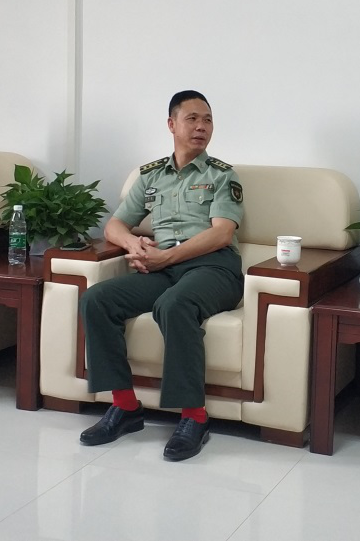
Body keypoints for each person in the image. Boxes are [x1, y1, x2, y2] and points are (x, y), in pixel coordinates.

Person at [78, 90, 244, 461]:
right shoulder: (150, 176)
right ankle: (125, 407)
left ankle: (194, 417)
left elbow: (222, 233)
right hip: (164, 269)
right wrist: (133, 245)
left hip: (214, 268)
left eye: (207, 120)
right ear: (171, 124)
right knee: (97, 299)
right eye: (192, 119)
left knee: (174, 304)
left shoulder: (222, 175)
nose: (201, 127)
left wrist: (165, 257)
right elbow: (115, 225)